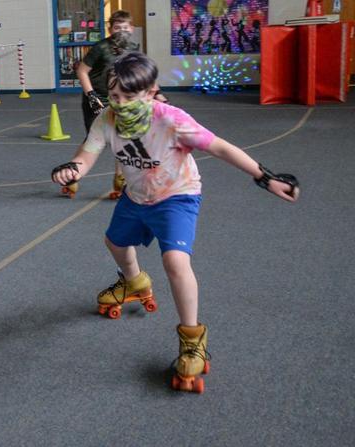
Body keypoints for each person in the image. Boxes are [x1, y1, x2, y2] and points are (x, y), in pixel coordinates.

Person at [51, 52, 299, 393]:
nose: (119, 104)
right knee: (115, 243)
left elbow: (221, 148)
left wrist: (264, 177)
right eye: (114, 96)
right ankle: (135, 283)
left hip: (177, 196)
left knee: (175, 262)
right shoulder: (107, 119)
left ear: (151, 92)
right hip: (137, 196)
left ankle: (192, 339)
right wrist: (72, 169)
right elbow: (86, 155)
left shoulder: (171, 120)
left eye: (128, 97)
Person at [70, 10, 168, 200]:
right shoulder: (100, 48)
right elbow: (82, 71)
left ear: (131, 29)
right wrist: (91, 96)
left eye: (125, 27)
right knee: (93, 138)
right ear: (110, 29)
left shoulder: (133, 49)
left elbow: (144, 74)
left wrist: (159, 94)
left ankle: (120, 179)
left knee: (124, 135)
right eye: (117, 27)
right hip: (98, 97)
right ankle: (73, 174)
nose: (121, 31)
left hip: (122, 99)